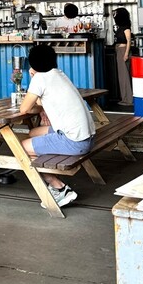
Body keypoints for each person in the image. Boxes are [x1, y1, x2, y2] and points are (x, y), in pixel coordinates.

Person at [19, 44, 95, 208]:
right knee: (33, 132)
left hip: (74, 141)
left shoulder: (40, 78)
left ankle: (59, 188)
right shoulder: (59, 74)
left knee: (20, 148)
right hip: (86, 137)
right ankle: (45, 160)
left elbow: (24, 109)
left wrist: (34, 78)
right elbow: (42, 102)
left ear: (33, 63)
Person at [113, 7, 133, 106]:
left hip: (123, 51)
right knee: (122, 75)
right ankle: (124, 98)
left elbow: (129, 41)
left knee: (124, 75)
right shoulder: (120, 27)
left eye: (116, 14)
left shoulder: (126, 28)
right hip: (119, 50)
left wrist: (126, 54)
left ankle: (128, 100)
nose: (114, 16)